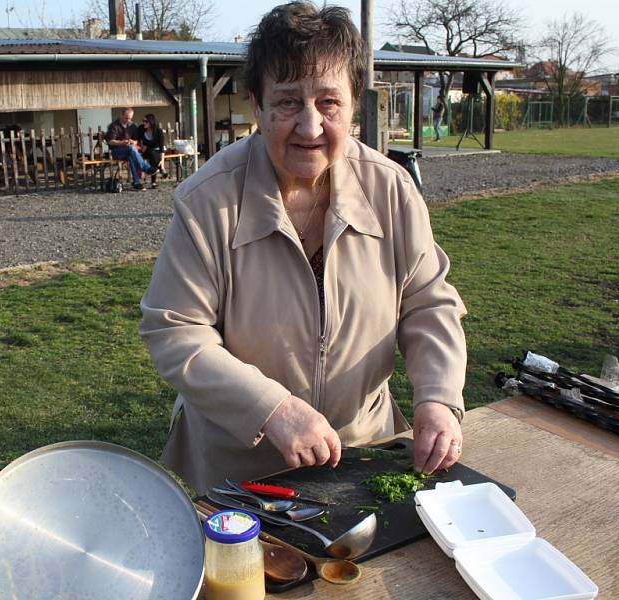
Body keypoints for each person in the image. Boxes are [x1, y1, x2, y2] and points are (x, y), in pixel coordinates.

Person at [139, 1, 467, 494]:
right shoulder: (207, 201)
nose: (310, 127)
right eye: (289, 102)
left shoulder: (392, 189)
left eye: (329, 103)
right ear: (258, 105)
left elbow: (428, 302)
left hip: (360, 449)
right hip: (241, 463)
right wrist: (272, 408)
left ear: (355, 103)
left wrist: (438, 397)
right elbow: (176, 331)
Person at [106, 108, 157, 191]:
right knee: (131, 149)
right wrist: (122, 142)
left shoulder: (132, 125)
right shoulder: (114, 126)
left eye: (130, 118)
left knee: (131, 156)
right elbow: (110, 141)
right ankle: (146, 168)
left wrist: (133, 142)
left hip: (129, 151)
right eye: (127, 117)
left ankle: (136, 183)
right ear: (121, 115)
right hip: (117, 152)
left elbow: (136, 140)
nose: (129, 120)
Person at [138, 113, 167, 188]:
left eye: (146, 121)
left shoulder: (158, 131)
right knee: (151, 153)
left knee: (153, 156)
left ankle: (160, 169)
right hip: (145, 151)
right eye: (143, 121)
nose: (144, 123)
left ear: (151, 122)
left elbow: (162, 148)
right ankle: (154, 180)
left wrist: (162, 163)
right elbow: (137, 140)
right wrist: (141, 146)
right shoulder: (141, 128)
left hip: (156, 152)